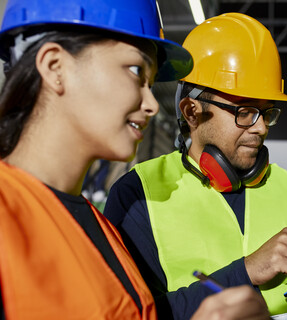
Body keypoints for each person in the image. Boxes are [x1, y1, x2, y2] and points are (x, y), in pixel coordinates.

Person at [0, 0, 271, 319]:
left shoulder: (103, 232)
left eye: (151, 81)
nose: (151, 104)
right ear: (55, 67)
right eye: (135, 70)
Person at [104, 12, 287, 320]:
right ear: (192, 112)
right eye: (245, 111)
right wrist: (246, 272)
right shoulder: (138, 194)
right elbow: (131, 313)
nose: (260, 128)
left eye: (267, 113)